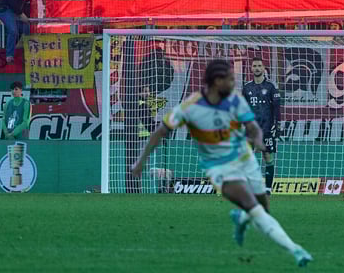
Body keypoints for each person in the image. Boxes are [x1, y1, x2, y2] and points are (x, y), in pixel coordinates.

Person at [130, 59, 312, 267]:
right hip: (219, 167)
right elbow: (160, 132)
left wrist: (259, 140)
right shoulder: (192, 106)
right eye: (230, 79)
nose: (234, 83)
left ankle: (242, 219)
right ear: (217, 81)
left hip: (245, 158)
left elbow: (252, 127)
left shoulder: (235, 101)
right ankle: (296, 250)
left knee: (263, 207)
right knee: (256, 209)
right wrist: (141, 161)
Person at [242, 56, 282, 193]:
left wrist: (278, 125)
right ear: (251, 68)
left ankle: (268, 188)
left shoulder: (271, 86)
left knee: (267, 157)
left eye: (259, 66)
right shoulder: (246, 87)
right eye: (255, 66)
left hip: (266, 128)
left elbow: (277, 107)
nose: (257, 68)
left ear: (264, 68)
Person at [0, 0, 29, 67]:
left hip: (15, 11)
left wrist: (20, 13)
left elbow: (21, 2)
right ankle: (9, 55)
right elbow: (12, 3)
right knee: (13, 30)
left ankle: (23, 47)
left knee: (27, 26)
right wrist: (20, 14)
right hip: (5, 9)